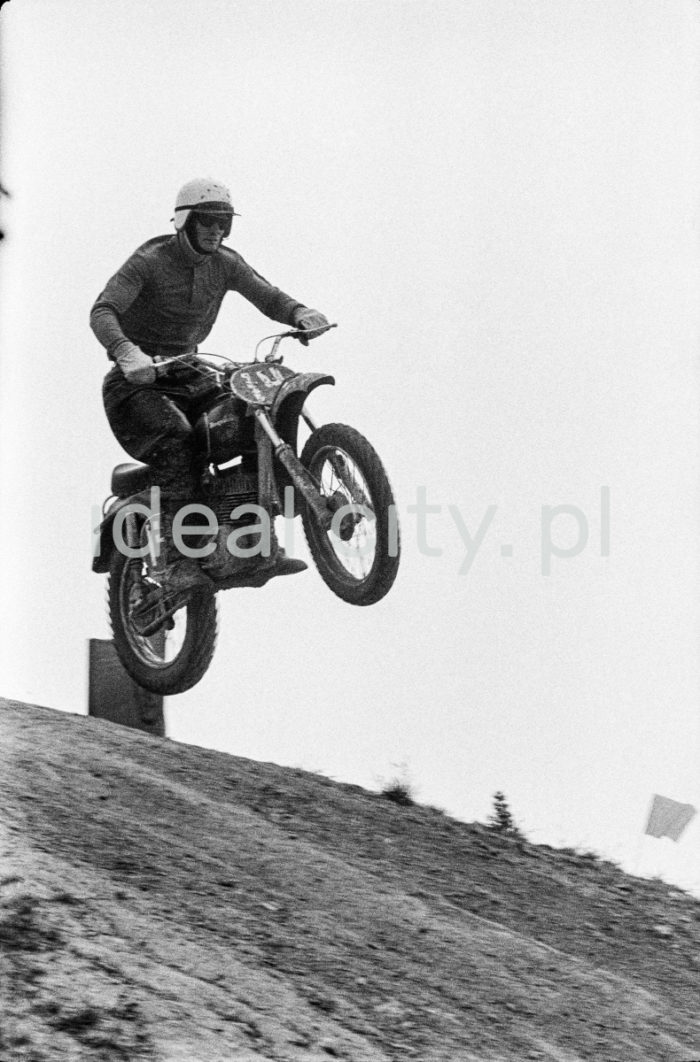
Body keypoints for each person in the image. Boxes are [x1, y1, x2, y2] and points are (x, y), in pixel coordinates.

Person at [91, 177, 330, 593]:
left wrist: (300, 312)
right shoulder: (149, 261)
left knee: (246, 414)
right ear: (186, 220)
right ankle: (173, 562)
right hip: (135, 386)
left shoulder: (226, 263)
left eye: (224, 222)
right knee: (179, 441)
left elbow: (266, 294)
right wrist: (127, 352)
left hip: (190, 374)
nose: (217, 230)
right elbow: (103, 310)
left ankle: (254, 540)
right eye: (209, 221)